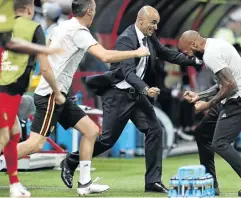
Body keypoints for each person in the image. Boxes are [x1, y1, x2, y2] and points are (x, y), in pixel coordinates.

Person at [60, 5, 202, 193]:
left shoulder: (149, 36)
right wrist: (145, 89)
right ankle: (71, 160)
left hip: (135, 95)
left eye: (157, 24)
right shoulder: (126, 39)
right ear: (140, 19)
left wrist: (195, 61)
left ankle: (152, 181)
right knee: (107, 140)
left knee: (155, 130)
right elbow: (127, 72)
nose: (156, 28)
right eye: (153, 23)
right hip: (118, 95)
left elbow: (165, 53)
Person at [15, 0, 149, 196]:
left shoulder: (61, 26)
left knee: (91, 131)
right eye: (94, 9)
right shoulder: (79, 32)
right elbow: (104, 56)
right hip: (52, 95)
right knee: (35, 144)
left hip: (60, 94)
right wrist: (137, 52)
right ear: (90, 11)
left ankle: (85, 184)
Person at [178, 30, 241, 196]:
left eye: (187, 51)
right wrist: (200, 95)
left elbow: (230, 85)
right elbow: (222, 84)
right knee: (202, 133)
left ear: (194, 44)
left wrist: (207, 105)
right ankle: (210, 184)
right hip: (233, 98)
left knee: (220, 143)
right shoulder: (215, 44)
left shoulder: (210, 54)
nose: (188, 56)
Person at [0, 0, 66, 197]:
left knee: (13, 132)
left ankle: (14, 185)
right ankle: (14, 185)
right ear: (30, 9)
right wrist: (58, 91)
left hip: (10, 89)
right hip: (7, 89)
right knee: (5, 135)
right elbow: (45, 68)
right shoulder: (34, 28)